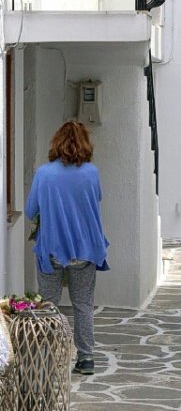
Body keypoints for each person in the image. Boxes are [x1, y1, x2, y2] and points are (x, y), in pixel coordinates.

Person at [25, 120, 109, 375]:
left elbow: (30, 211)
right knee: (83, 304)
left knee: (48, 304)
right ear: (85, 143)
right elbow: (97, 199)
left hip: (52, 248)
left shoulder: (43, 173)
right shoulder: (92, 172)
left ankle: (46, 358)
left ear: (56, 143)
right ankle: (85, 358)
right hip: (85, 249)